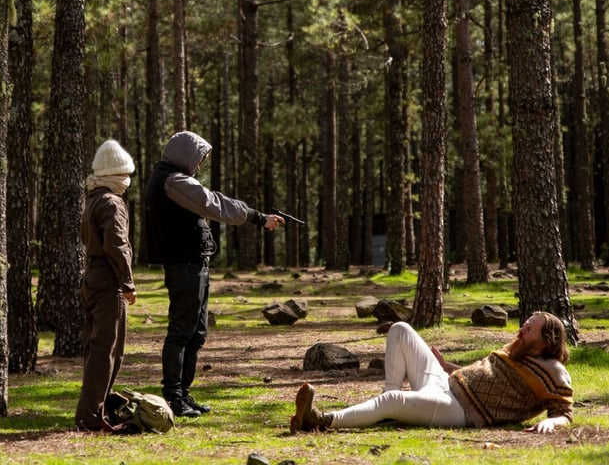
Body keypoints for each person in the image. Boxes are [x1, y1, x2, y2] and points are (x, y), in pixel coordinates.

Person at [145, 130, 284, 418]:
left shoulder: (174, 178)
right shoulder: (174, 181)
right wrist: (257, 217)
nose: (200, 164)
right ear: (185, 155)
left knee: (196, 333)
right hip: (184, 266)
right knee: (182, 332)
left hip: (194, 264)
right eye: (199, 158)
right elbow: (213, 203)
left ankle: (183, 394)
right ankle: (173, 397)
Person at [290, 312, 573, 434]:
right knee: (400, 330)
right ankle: (386, 405)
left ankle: (320, 422)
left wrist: (553, 424)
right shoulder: (517, 351)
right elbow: (486, 377)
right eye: (524, 325)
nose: (521, 330)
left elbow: (563, 412)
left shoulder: (553, 372)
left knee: (393, 402)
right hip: (445, 383)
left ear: (546, 340)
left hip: (460, 410)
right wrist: (446, 366)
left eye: (529, 329)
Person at [75, 139, 138, 432]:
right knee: (108, 351)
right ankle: (92, 417)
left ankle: (95, 411)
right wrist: (127, 281)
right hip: (108, 280)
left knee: (97, 348)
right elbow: (118, 245)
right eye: (124, 176)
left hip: (91, 278)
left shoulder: (93, 201)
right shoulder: (112, 203)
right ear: (114, 176)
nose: (127, 182)